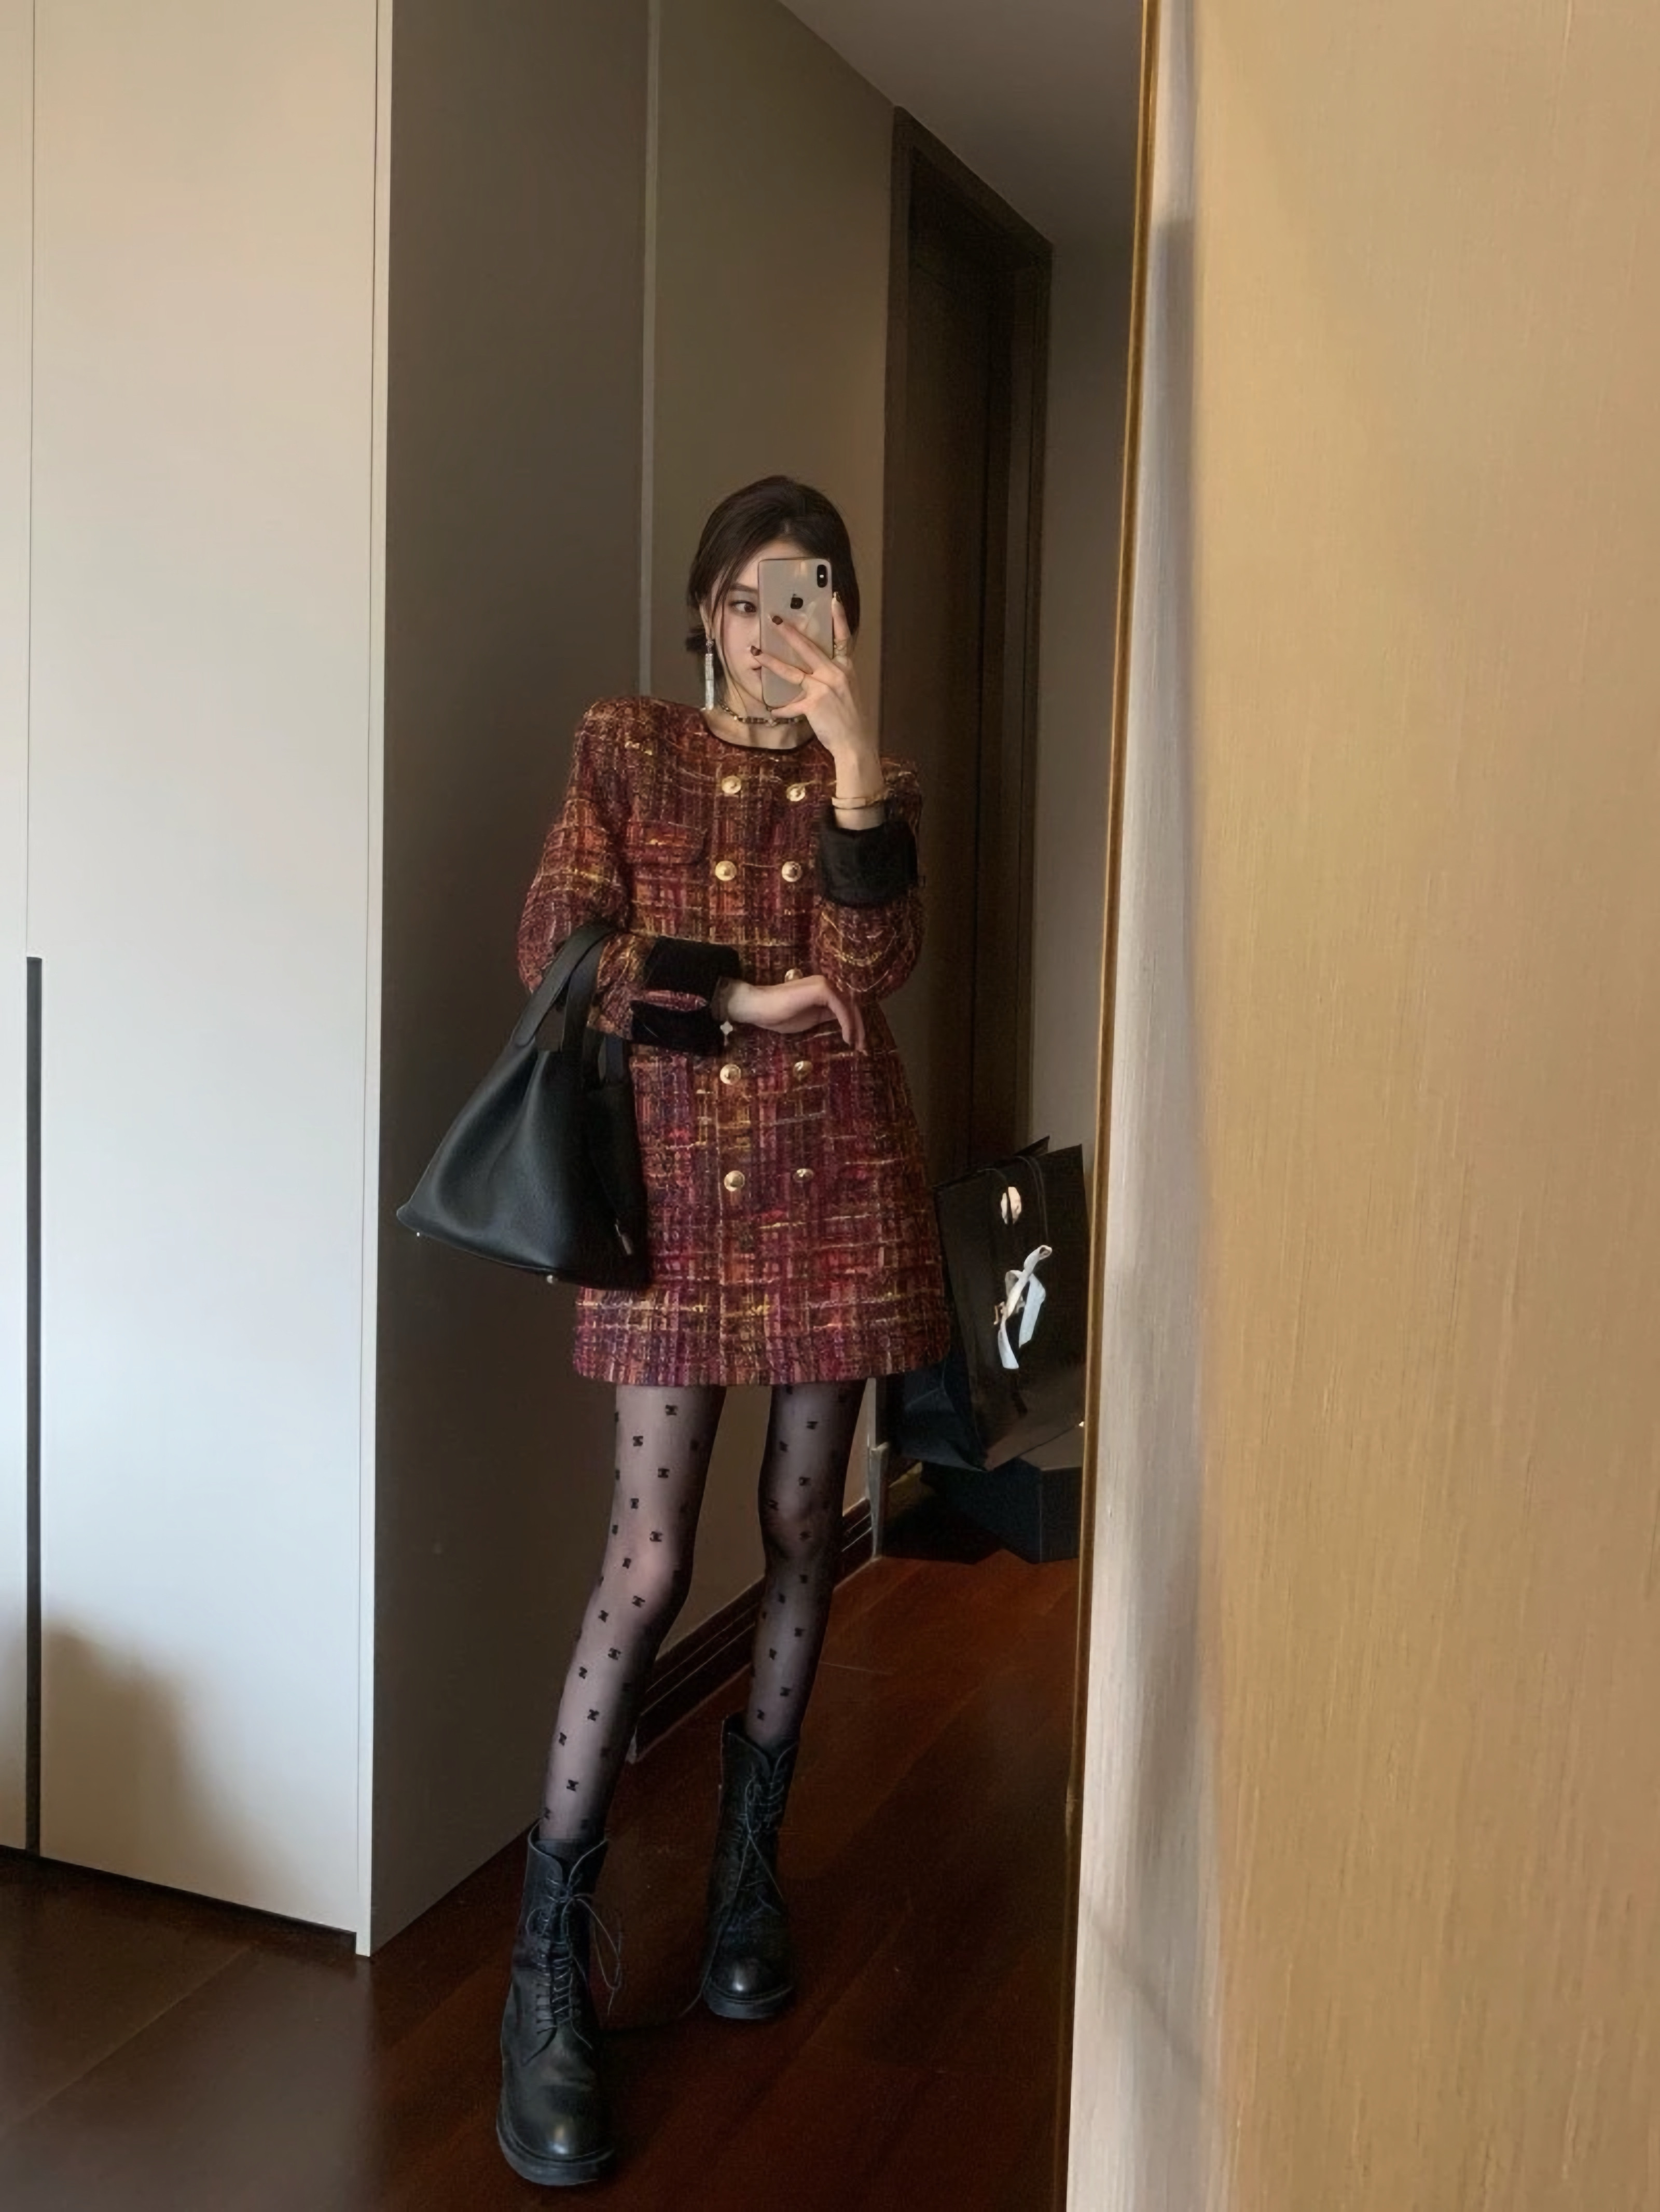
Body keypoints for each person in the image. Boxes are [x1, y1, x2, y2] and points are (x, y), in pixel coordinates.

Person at [495, 476, 949, 2187]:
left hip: (835, 1188)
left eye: (807, 597)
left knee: (802, 1529)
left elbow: (874, 963)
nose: (774, 629)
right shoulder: (626, 745)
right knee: (651, 1558)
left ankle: (748, 1882)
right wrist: (734, 997)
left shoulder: (868, 779)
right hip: (675, 1210)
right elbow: (559, 946)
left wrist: (856, 763)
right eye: (749, 599)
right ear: (705, 613)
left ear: (842, 619)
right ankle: (545, 1971)